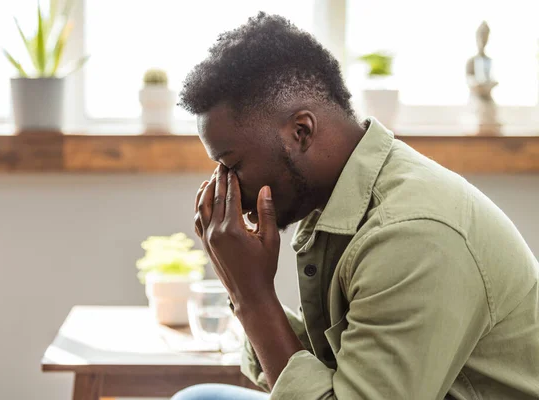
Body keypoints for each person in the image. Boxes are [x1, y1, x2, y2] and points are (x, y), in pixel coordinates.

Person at [172, 12, 539, 400]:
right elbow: (333, 370)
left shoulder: (411, 235)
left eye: (232, 165)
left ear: (301, 132)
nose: (224, 186)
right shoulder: (338, 195)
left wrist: (253, 296)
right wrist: (243, 290)